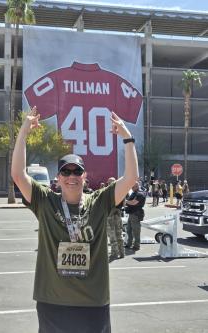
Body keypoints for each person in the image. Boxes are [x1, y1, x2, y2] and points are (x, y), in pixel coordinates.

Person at [11, 106, 138, 333]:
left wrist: (127, 138)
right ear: (58, 177)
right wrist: (23, 133)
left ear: (84, 176)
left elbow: (130, 178)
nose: (72, 177)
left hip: (93, 302)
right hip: (53, 301)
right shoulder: (45, 200)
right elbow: (18, 175)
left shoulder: (99, 201)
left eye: (77, 172)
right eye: (66, 172)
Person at [106, 177, 124, 262]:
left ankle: (115, 253)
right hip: (117, 214)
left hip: (111, 215)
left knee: (113, 235)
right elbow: (123, 203)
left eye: (110, 183)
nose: (109, 184)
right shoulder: (120, 191)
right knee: (118, 235)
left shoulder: (108, 192)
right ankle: (121, 252)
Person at [125, 182, 146, 251]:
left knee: (136, 231)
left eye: (132, 187)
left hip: (136, 214)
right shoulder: (134, 193)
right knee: (129, 230)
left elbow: (134, 202)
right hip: (131, 214)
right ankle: (129, 244)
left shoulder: (140, 193)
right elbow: (130, 201)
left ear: (136, 186)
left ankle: (136, 246)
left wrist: (125, 201)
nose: (131, 188)